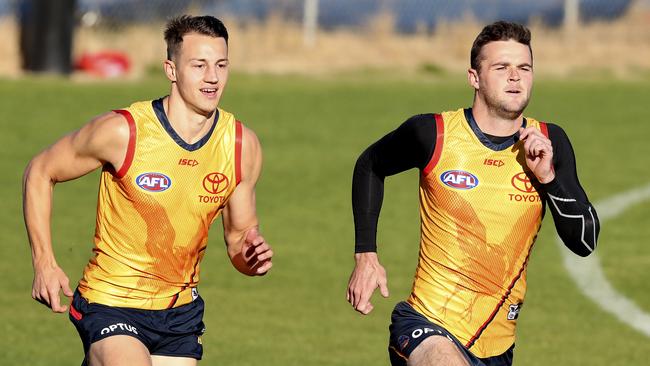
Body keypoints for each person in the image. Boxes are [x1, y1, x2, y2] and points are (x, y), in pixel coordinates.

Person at [23, 15, 273, 366]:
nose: (213, 77)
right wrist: (44, 263)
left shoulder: (240, 146)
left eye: (221, 65)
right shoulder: (124, 132)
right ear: (171, 70)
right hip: (110, 301)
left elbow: (239, 239)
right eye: (199, 65)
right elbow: (40, 171)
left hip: (178, 313)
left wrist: (251, 257)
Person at [346, 21, 600, 366]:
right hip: (426, 324)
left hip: (496, 344)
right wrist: (366, 255)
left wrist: (549, 178)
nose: (515, 77)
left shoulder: (549, 141)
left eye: (524, 68)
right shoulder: (433, 133)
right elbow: (370, 165)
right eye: (501, 68)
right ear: (474, 78)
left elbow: (584, 243)